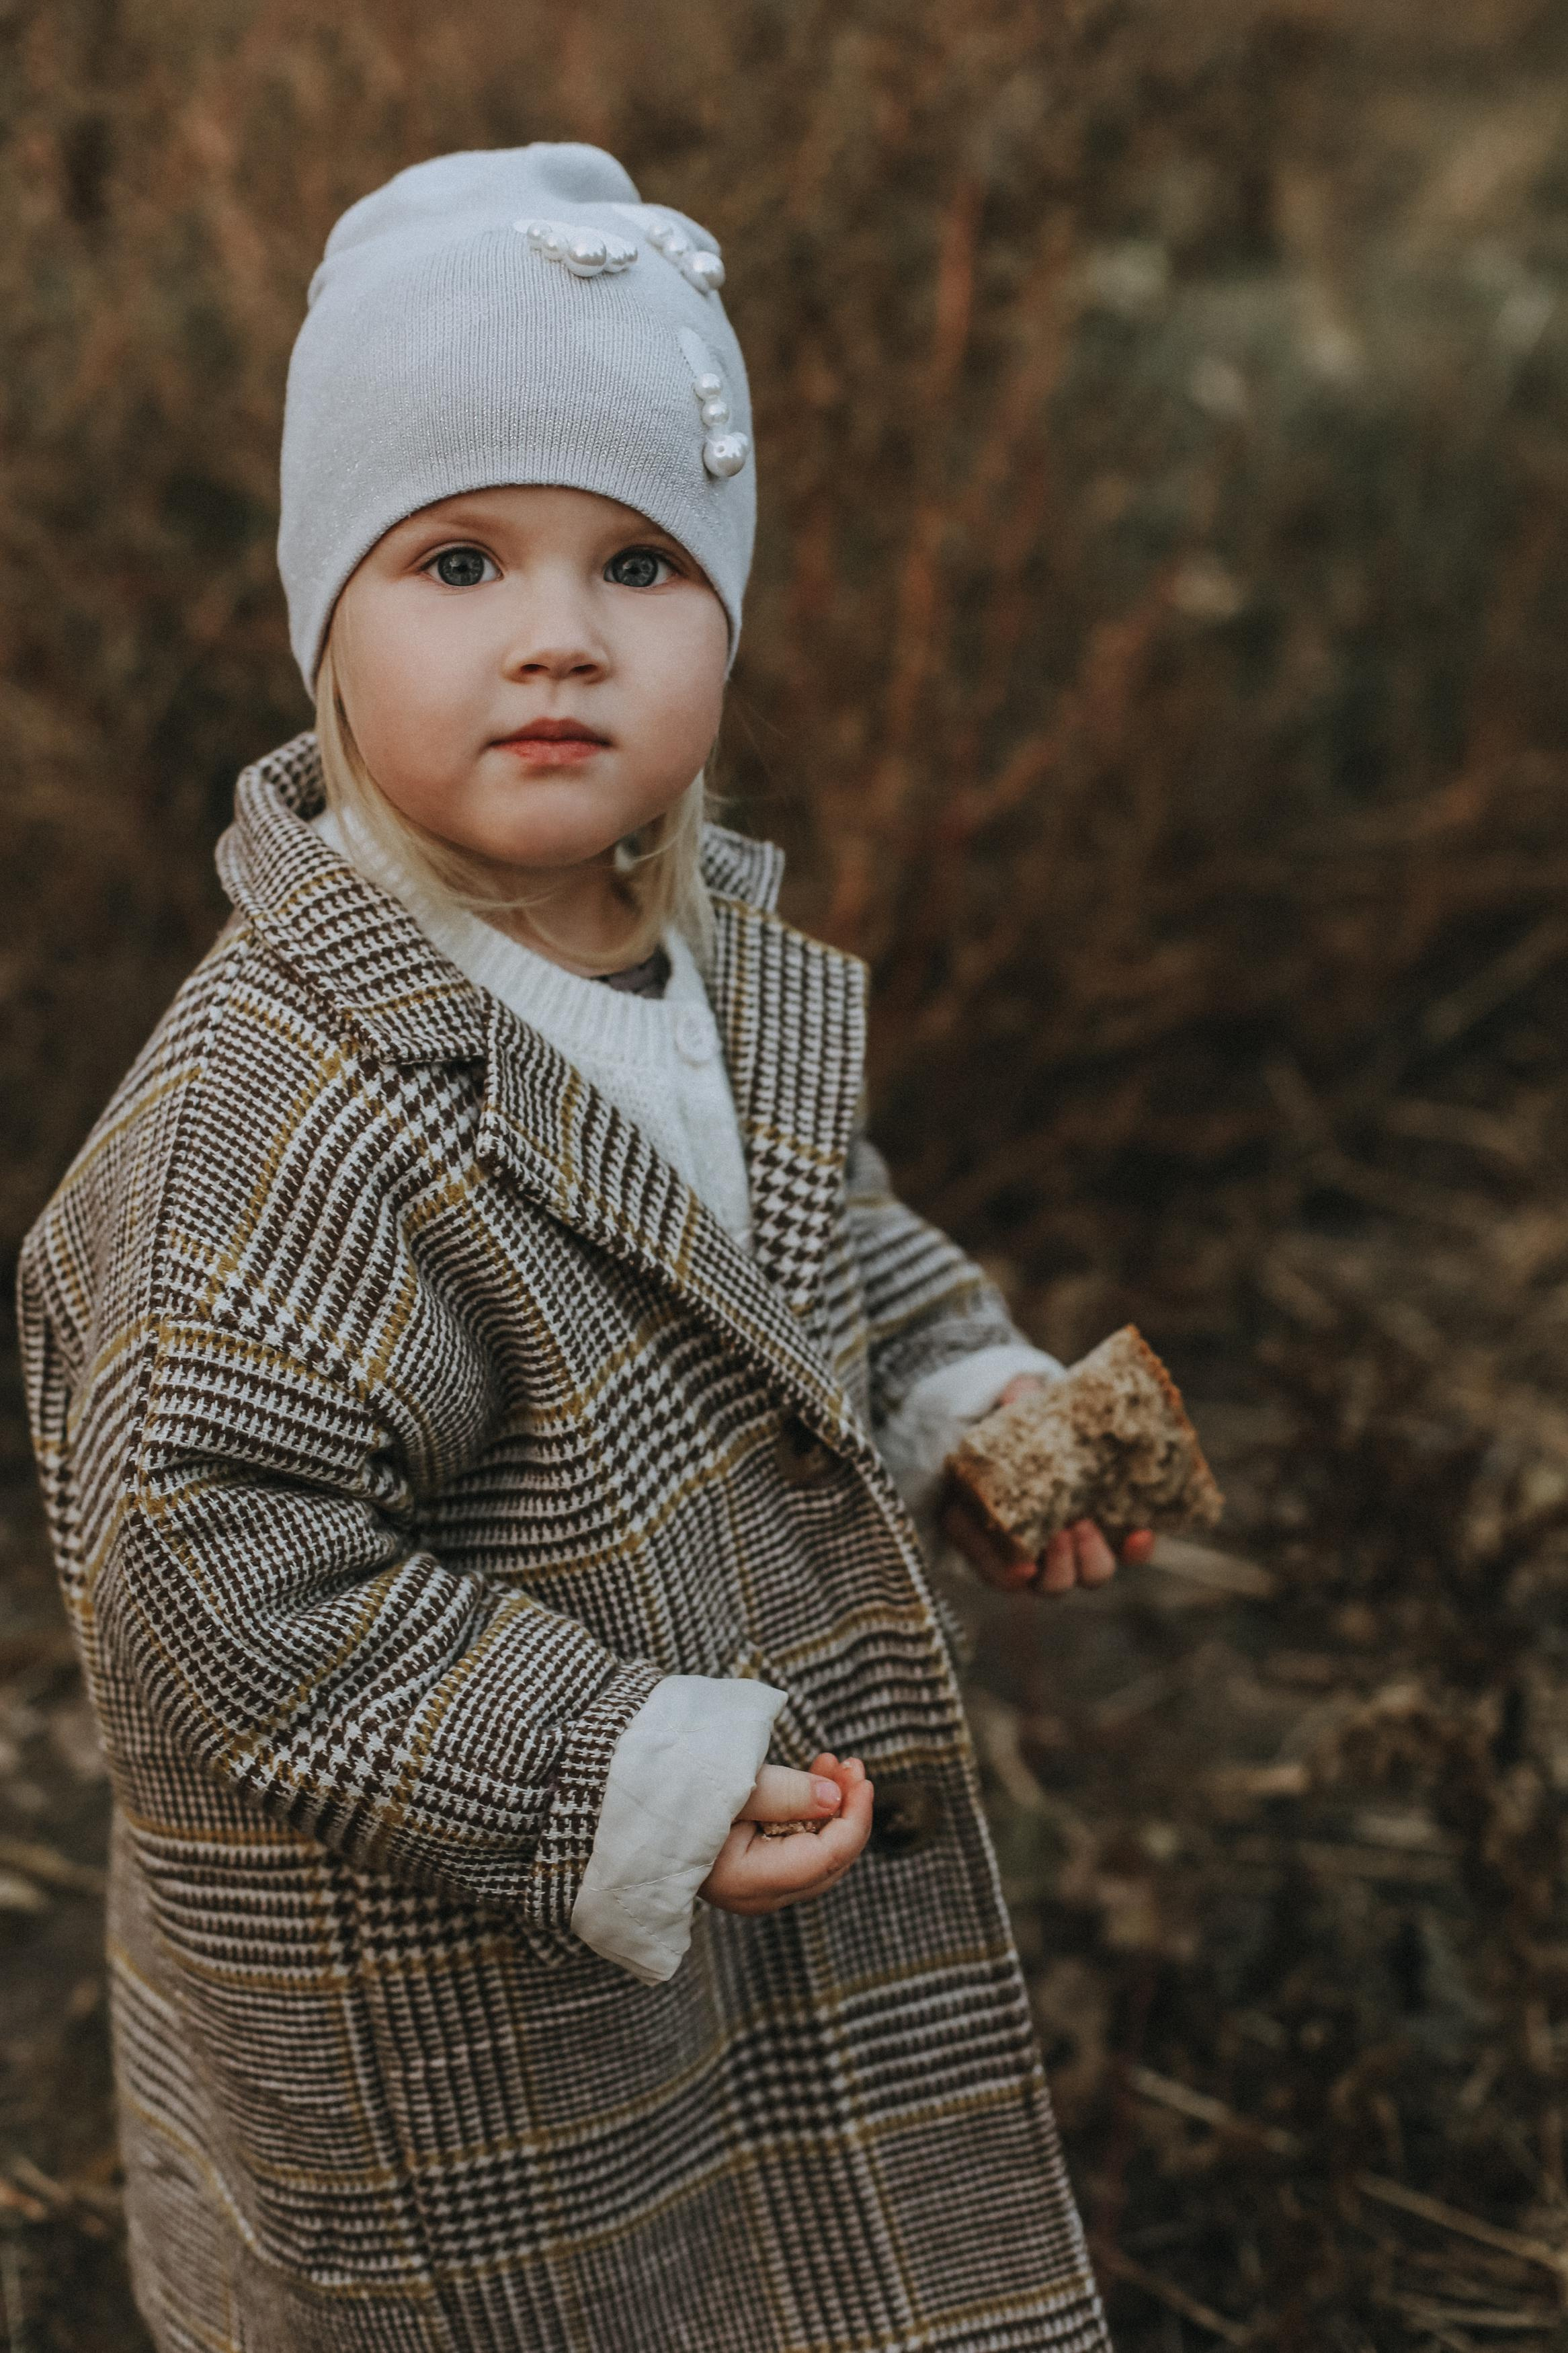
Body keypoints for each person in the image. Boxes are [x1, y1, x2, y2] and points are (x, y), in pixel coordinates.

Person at [17, 144, 1151, 2353]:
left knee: (773, 2264)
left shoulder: (688, 953)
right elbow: (214, 1567)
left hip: (720, 1916)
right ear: (324, 621)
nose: (559, 633)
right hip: (465, 2009)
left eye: (640, 561)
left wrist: (962, 1392)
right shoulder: (272, 1116)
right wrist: (602, 1764)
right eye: (457, 559)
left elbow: (814, 1229)